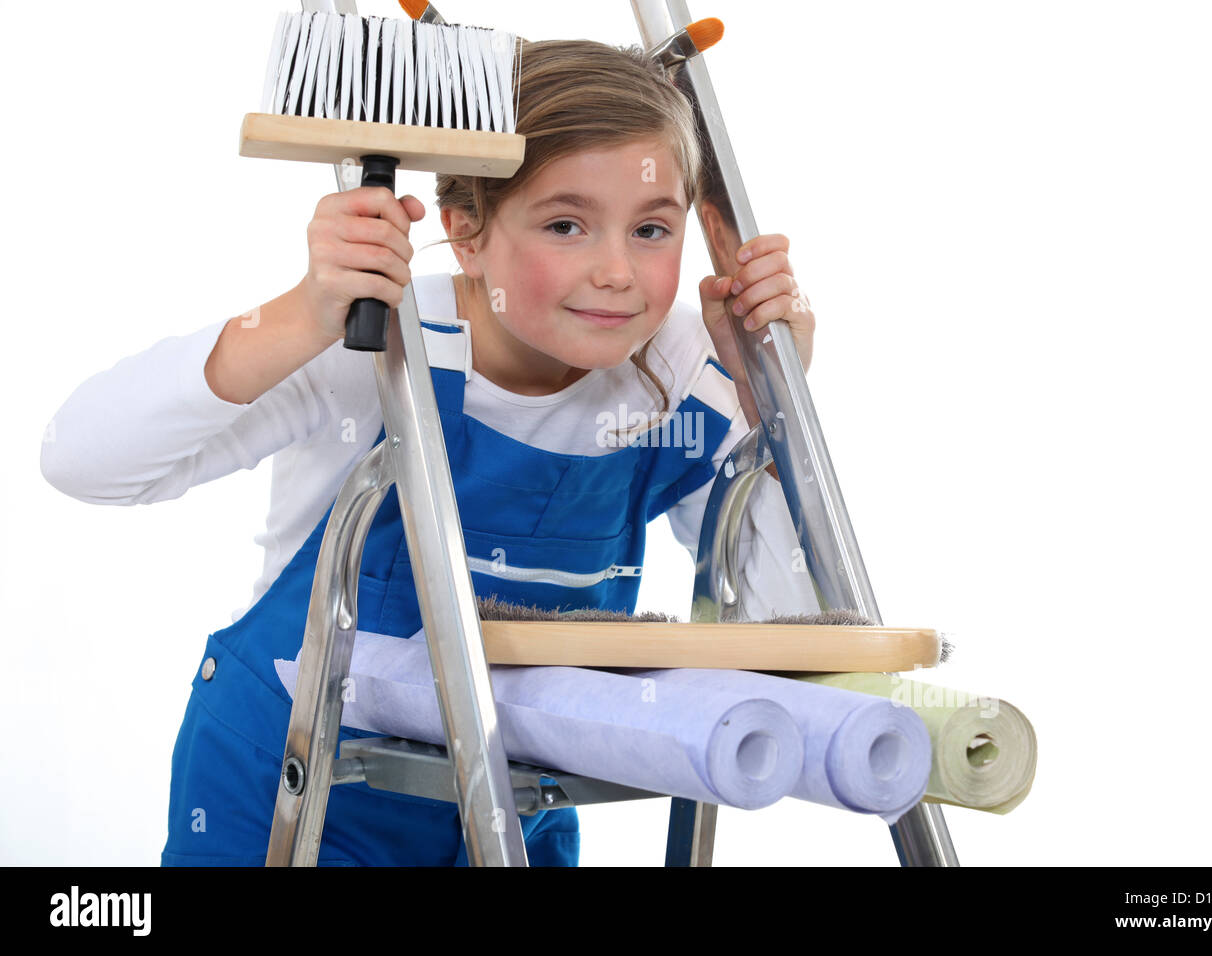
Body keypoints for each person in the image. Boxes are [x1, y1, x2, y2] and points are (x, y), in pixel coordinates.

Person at [40, 38, 819, 867]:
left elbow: (792, 640)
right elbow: (81, 459)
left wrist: (772, 405)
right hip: (291, 805)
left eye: (652, 229)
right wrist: (307, 312)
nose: (618, 272)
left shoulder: (675, 374)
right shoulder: (382, 344)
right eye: (566, 224)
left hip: (512, 810)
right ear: (465, 231)